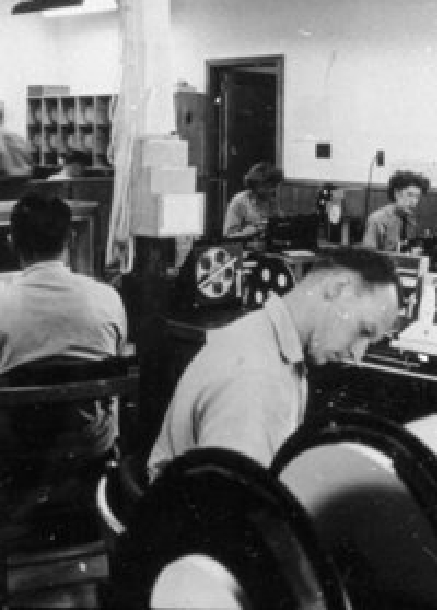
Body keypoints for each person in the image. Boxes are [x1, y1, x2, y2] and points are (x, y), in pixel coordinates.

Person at [148, 247, 400, 480]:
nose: (358, 355)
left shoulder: (267, 336)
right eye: (364, 331)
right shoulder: (257, 376)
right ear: (337, 288)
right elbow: (232, 502)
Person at [0, 194, 128, 460]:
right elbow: (117, 358)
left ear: (12, 242)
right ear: (70, 238)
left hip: (16, 449)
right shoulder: (108, 298)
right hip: (91, 446)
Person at [363, 169, 430, 252]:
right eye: (410, 195)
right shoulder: (377, 219)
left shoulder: (411, 219)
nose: (414, 201)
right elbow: (368, 254)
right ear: (397, 193)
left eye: (417, 197)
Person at [223, 161, 283, 238]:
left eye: (274, 186)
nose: (272, 190)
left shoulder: (272, 201)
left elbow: (278, 226)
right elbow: (228, 235)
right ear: (256, 184)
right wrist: (255, 229)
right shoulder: (240, 201)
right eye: (268, 186)